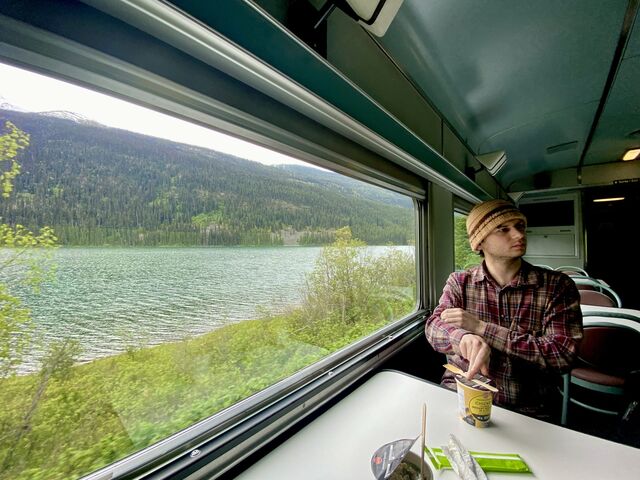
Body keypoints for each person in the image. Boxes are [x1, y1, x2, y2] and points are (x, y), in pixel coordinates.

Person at [425, 199, 583, 420]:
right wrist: (463, 339)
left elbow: (562, 354)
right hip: (464, 392)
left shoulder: (557, 286)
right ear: (479, 242)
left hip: (529, 406)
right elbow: (433, 327)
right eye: (503, 229)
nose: (519, 235)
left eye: (520, 226)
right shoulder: (460, 281)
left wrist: (482, 328)